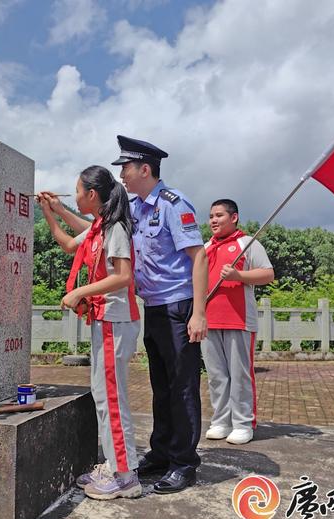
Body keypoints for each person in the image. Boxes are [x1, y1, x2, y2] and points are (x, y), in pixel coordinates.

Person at [37, 165, 142, 500]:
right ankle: (115, 464)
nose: (75, 195)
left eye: (77, 191)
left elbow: (124, 276)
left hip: (115, 321)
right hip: (105, 320)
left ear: (92, 194)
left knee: (110, 398)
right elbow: (70, 243)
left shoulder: (115, 230)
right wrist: (51, 212)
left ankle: (125, 477)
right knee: (103, 395)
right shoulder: (101, 226)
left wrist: (80, 292)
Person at [113, 135, 208, 494]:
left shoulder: (173, 204)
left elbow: (198, 257)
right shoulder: (136, 207)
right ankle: (161, 452)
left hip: (178, 307)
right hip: (153, 307)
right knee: (161, 386)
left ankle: (184, 463)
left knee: (183, 387)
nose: (122, 174)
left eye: (126, 167)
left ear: (145, 169)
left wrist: (198, 313)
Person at [201, 199, 274, 445]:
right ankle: (221, 420)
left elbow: (267, 273)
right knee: (216, 375)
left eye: (219, 215)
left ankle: (243, 423)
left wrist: (238, 275)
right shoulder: (206, 246)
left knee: (240, 374)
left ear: (234, 218)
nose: (213, 220)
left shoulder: (248, 244)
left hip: (239, 320)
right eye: (211, 215)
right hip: (209, 321)